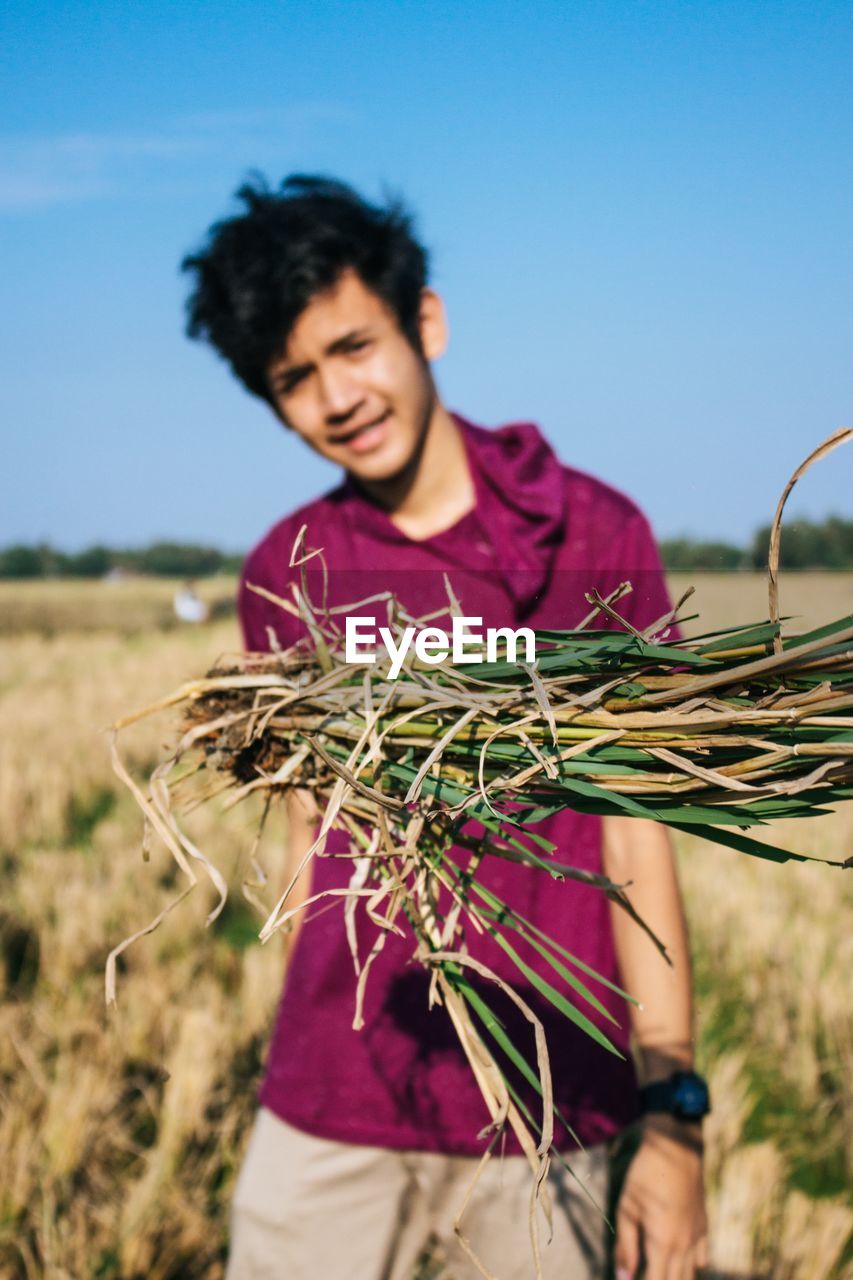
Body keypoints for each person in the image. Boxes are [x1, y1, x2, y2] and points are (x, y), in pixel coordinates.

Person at [182, 175, 710, 1280]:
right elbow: (306, 839)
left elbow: (636, 833)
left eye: (353, 346)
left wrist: (674, 1109)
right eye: (293, 379)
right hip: (338, 1087)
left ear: (425, 319)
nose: (336, 396)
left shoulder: (594, 534)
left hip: (546, 1095)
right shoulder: (288, 571)